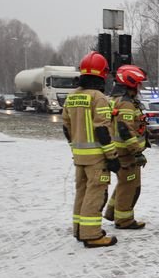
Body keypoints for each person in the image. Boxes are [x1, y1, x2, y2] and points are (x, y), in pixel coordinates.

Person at [62, 51, 121, 248]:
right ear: (102, 75)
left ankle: (79, 229)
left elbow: (66, 128)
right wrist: (112, 156)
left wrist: (75, 148)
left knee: (82, 192)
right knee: (95, 194)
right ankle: (92, 234)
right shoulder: (98, 98)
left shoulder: (72, 97)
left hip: (79, 156)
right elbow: (103, 129)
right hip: (97, 157)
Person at [103, 65, 149, 229]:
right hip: (126, 154)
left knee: (123, 183)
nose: (139, 88)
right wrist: (137, 152)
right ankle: (124, 220)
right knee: (130, 186)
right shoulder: (126, 104)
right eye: (138, 84)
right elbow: (125, 129)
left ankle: (111, 212)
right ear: (131, 84)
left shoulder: (114, 100)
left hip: (118, 152)